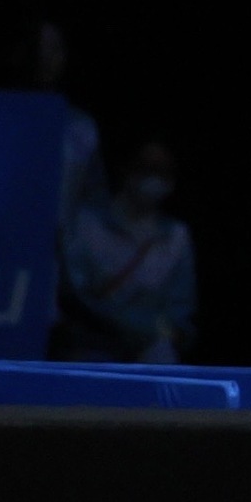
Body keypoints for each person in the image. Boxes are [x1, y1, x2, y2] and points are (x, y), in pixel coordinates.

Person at [57, 138, 198, 364]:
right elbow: (74, 294)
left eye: (163, 171)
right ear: (126, 169)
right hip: (91, 346)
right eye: (147, 168)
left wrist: (156, 331)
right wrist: (117, 326)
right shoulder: (87, 224)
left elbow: (179, 309)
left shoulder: (176, 236)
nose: (154, 178)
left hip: (149, 350)